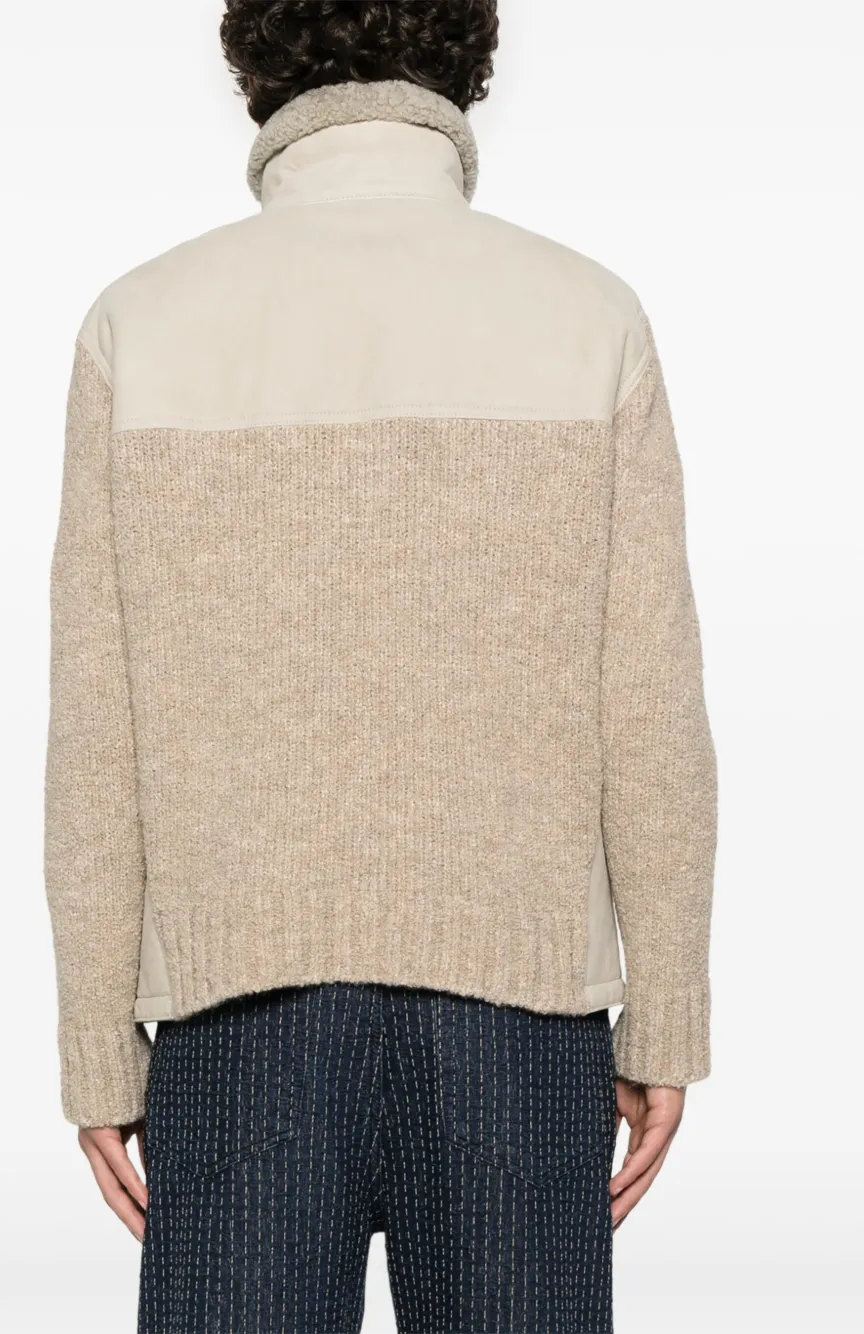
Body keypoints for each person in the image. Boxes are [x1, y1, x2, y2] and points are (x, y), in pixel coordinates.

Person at [43, 3, 717, 1330]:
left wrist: (93, 1046)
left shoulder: (141, 324)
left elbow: (96, 729)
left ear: (253, 61)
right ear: (470, 54)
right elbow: (649, 709)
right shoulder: (589, 318)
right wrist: (668, 1017)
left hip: (237, 1025)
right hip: (521, 1023)